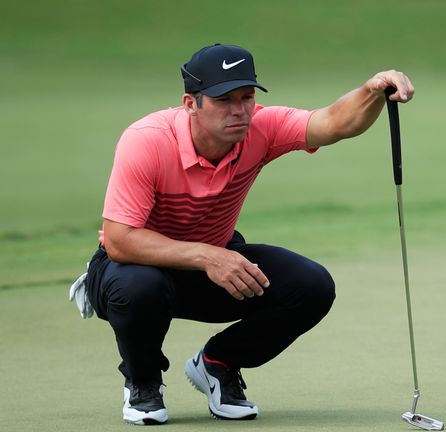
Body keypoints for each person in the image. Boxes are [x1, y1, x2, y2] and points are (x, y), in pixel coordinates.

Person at [68, 43, 414, 425]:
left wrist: (372, 91)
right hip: (134, 267)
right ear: (190, 103)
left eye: (247, 97)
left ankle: (218, 363)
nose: (239, 110)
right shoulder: (147, 140)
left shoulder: (261, 128)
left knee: (312, 286)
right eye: (223, 99)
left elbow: (334, 122)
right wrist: (207, 256)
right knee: (139, 288)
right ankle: (143, 381)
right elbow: (119, 240)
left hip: (214, 263)